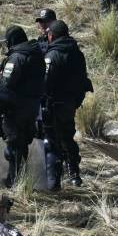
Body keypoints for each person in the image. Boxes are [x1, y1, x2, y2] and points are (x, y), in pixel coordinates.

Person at [0, 26, 46, 187]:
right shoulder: (36, 54)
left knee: (14, 144)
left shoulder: (17, 57)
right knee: (22, 143)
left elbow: (7, 83)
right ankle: (21, 179)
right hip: (32, 106)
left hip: (16, 107)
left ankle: (14, 180)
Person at [43, 20, 92, 190]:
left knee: (53, 141)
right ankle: (74, 174)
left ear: (52, 35)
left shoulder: (52, 55)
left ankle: (54, 180)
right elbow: (82, 79)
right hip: (70, 103)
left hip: (54, 104)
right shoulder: (77, 53)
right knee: (67, 137)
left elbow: (45, 82)